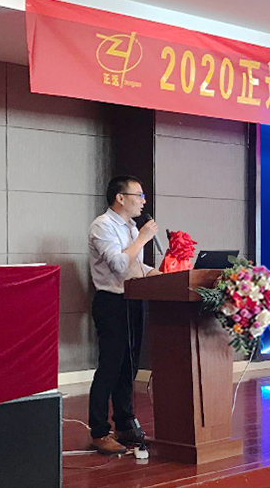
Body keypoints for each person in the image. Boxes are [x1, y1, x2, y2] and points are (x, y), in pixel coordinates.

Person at [87, 175, 161, 454]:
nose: (143, 201)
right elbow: (119, 265)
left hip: (133, 300)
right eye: (138, 195)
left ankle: (125, 424)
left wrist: (161, 274)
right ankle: (99, 431)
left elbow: (135, 266)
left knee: (129, 367)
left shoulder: (130, 226)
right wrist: (142, 238)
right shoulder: (102, 225)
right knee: (110, 367)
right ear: (120, 198)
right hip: (111, 302)